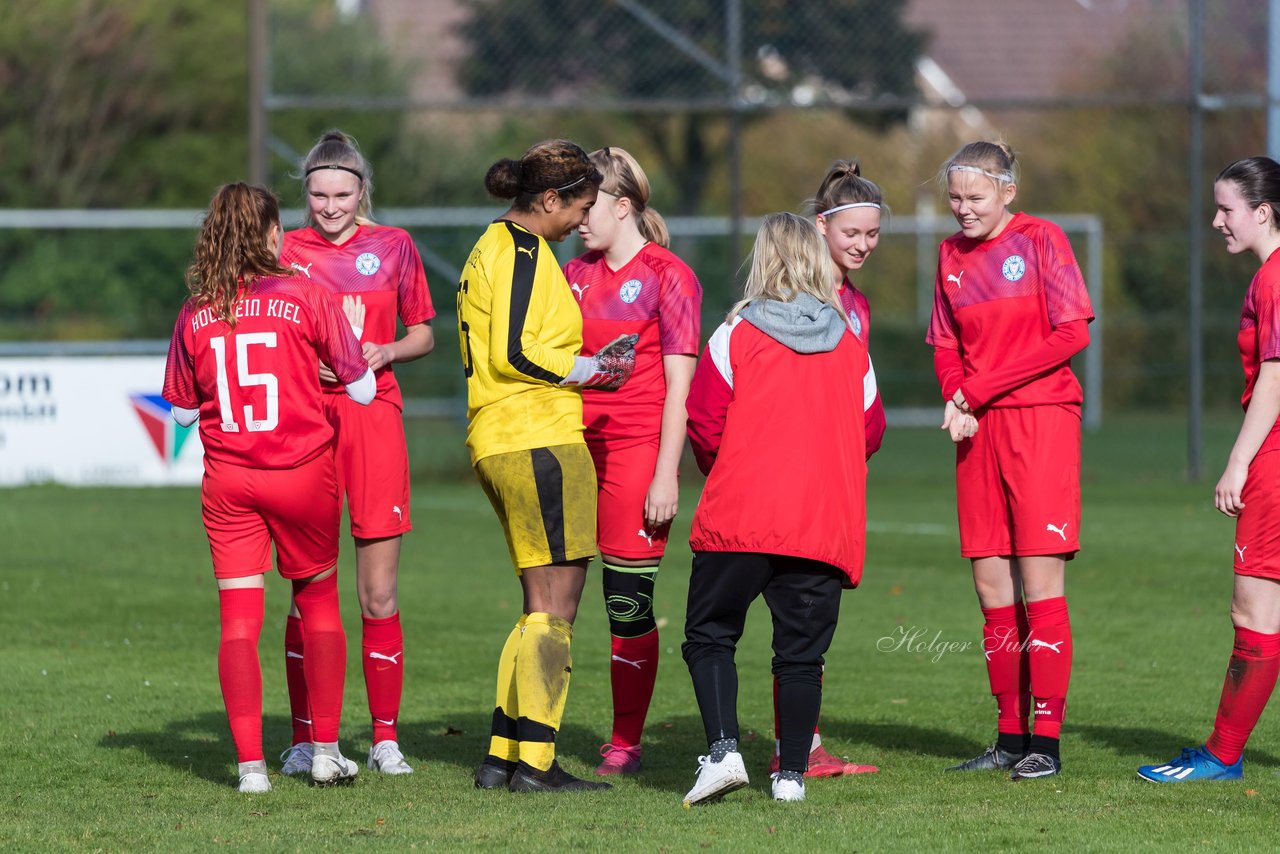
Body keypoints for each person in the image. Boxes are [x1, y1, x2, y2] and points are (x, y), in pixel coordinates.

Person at [162, 183, 375, 792]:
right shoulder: (308, 295)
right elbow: (360, 389)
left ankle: (252, 768)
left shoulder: (194, 311)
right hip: (304, 473)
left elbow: (179, 414)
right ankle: (326, 752)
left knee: (238, 622)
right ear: (272, 235)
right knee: (319, 605)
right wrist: (341, 347)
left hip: (230, 480)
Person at [459, 139, 637, 793]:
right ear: (550, 200)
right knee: (558, 608)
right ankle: (536, 762)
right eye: (579, 207)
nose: (580, 222)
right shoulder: (526, 251)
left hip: (498, 436)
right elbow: (514, 350)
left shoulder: (490, 246)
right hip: (537, 437)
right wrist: (592, 369)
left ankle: (502, 757)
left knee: (537, 606)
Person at [681, 212, 870, 805]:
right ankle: (790, 777)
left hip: (741, 516)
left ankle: (723, 752)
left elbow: (705, 425)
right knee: (801, 655)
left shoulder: (734, 333)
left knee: (710, 635)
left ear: (763, 258)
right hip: (821, 523)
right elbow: (872, 429)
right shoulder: (849, 339)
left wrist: (740, 464)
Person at [927, 141, 1093, 781]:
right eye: (955, 198)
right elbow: (944, 342)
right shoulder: (948, 256)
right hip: (977, 426)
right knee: (991, 585)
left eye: (975, 197)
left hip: (1041, 419)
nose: (963, 210)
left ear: (1007, 191)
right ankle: (1007, 735)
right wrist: (956, 396)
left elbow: (1071, 332)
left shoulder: (1043, 240)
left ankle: (1045, 743)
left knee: (1039, 582)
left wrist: (979, 388)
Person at [277, 130, 436, 778]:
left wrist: (386, 351)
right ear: (306, 193)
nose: (330, 206)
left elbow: (424, 332)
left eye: (342, 193)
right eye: (318, 194)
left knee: (378, 589)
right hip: (307, 419)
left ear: (362, 191)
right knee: (306, 587)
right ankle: (304, 738)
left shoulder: (393, 246)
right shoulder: (285, 250)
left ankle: (385, 738)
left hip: (373, 416)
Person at [1138, 156, 1280, 783]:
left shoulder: (1275, 279)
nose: (1217, 221)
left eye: (1227, 209)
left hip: (1275, 456)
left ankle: (1222, 755)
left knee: (1255, 610)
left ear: (1263, 212)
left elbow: (1276, 377)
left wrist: (1237, 464)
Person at [563, 146, 702, 776]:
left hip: (637, 450)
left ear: (624, 207)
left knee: (626, 602)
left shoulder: (670, 276)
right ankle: (535, 733)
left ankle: (625, 740)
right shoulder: (573, 272)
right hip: (571, 448)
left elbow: (681, 388)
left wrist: (666, 472)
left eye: (588, 205)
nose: (577, 217)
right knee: (554, 596)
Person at [766, 158, 888, 780]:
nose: (863, 245)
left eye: (872, 235)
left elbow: (864, 404)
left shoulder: (856, 304)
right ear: (821, 228)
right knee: (798, 615)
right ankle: (796, 749)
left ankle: (803, 743)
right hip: (795, 480)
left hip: (836, 477)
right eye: (852, 235)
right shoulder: (797, 300)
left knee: (810, 618)